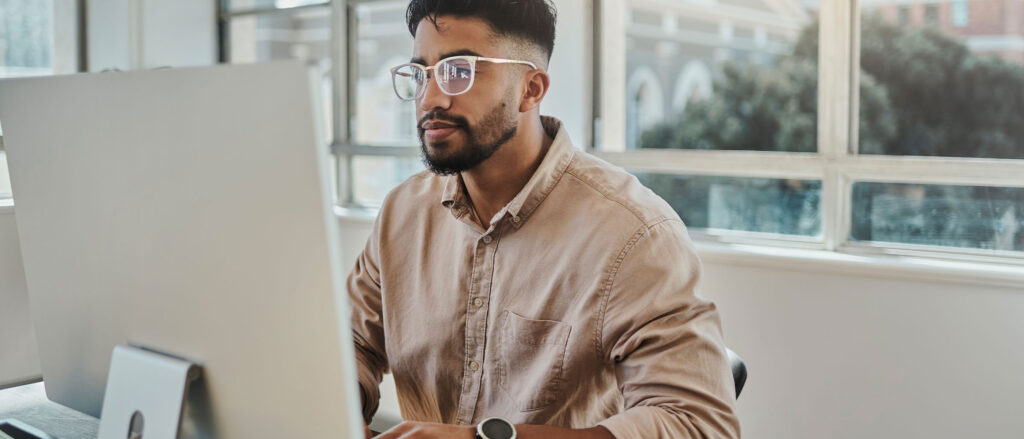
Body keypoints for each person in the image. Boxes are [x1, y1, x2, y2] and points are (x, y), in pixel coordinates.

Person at [347, 0, 740, 437]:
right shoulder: (402, 213)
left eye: (459, 71)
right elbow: (352, 345)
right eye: (420, 74)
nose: (431, 99)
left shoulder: (634, 233)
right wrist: (332, 410)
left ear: (531, 90)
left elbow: (698, 425)